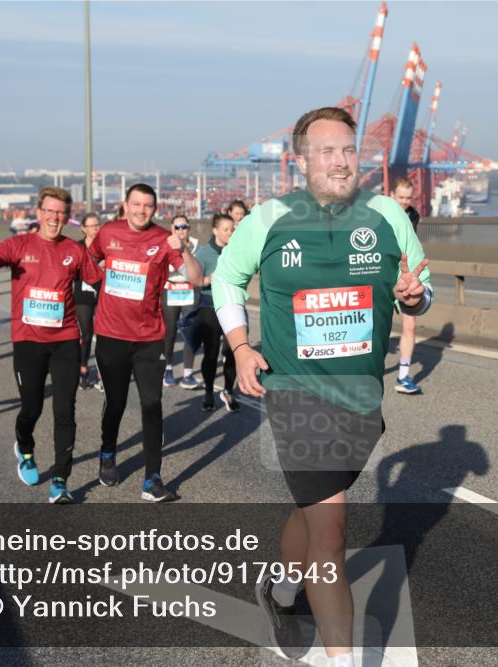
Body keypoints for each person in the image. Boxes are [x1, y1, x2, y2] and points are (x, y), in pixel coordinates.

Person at [212, 106, 431, 663]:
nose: (340, 161)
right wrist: (240, 348)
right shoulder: (268, 218)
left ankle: (281, 588)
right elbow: (226, 280)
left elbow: (422, 289)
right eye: (327, 151)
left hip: (361, 398)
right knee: (331, 535)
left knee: (313, 509)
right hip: (295, 393)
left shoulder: (387, 214)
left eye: (348, 150)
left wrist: (413, 296)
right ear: (302, 160)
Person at [0, 187, 100, 504]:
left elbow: (100, 282)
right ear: (39, 212)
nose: (54, 217)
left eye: (61, 212)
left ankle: (60, 479)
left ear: (68, 216)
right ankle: (26, 450)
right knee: (32, 407)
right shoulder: (19, 244)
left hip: (66, 341)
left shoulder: (74, 250)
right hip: (28, 341)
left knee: (65, 411)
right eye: (49, 210)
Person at [86, 184, 203, 501]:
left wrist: (184, 248)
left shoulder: (164, 240)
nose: (141, 210)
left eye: (147, 206)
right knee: (116, 403)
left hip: (150, 338)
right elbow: (88, 260)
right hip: (111, 336)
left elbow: (195, 278)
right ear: (125, 205)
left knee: (152, 405)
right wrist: (99, 289)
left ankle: (153, 478)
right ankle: (108, 453)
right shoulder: (108, 233)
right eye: (135, 204)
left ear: (155, 208)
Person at [192, 213, 238, 412]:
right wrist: (212, 278)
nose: (230, 232)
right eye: (226, 229)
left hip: (233, 305)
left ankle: (228, 390)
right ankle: (209, 392)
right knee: (211, 354)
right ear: (215, 231)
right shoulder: (204, 253)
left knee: (232, 352)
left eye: (232, 229)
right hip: (209, 306)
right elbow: (195, 280)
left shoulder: (237, 251)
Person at [390, 177, 424, 395]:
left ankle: (403, 376)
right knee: (375, 327)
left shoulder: (413, 215)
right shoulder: (381, 214)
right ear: (392, 195)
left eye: (408, 198)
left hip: (404, 276)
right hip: (381, 275)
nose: (405, 202)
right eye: (401, 197)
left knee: (410, 325)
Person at [162, 215, 200, 388]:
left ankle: (188, 373)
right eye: (177, 227)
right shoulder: (165, 244)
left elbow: (196, 268)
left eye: (183, 226)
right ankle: (168, 369)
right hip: (170, 289)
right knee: (170, 331)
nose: (180, 230)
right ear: (172, 228)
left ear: (189, 227)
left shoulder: (197, 244)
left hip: (189, 291)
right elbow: (167, 268)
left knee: (189, 331)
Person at [74, 212, 103, 390]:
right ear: (84, 229)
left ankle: (102, 373)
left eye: (97, 225)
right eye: (91, 226)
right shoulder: (77, 247)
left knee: (103, 336)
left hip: (102, 296)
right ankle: (83, 368)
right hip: (82, 296)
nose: (95, 229)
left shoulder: (105, 247)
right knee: (86, 335)